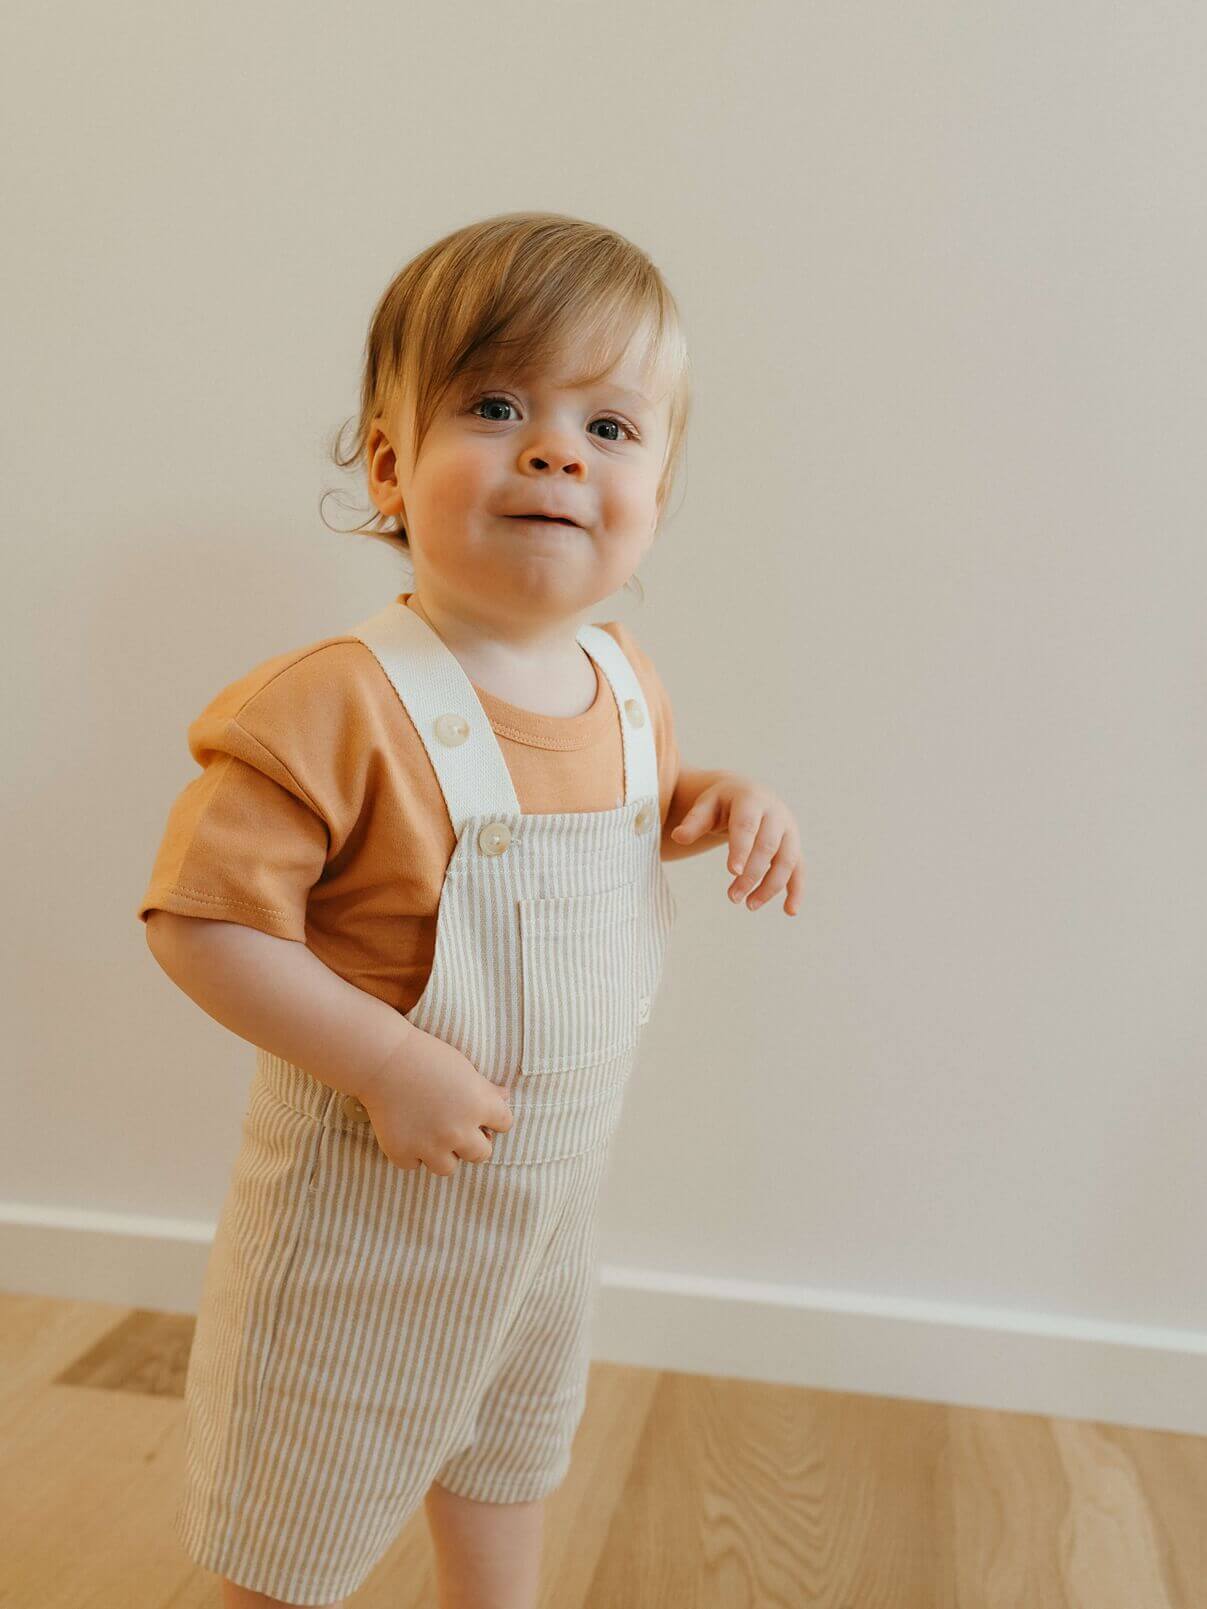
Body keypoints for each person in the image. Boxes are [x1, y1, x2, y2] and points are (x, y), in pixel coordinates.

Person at [137, 209, 804, 1609]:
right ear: (390, 464)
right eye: (498, 406)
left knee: (508, 1457)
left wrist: (720, 801)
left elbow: (633, 813)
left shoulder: (622, 681)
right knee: (299, 1512)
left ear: (658, 492)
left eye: (610, 426)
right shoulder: (334, 702)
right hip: (363, 1226)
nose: (558, 448)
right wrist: (383, 1061)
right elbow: (201, 918)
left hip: (547, 1206)